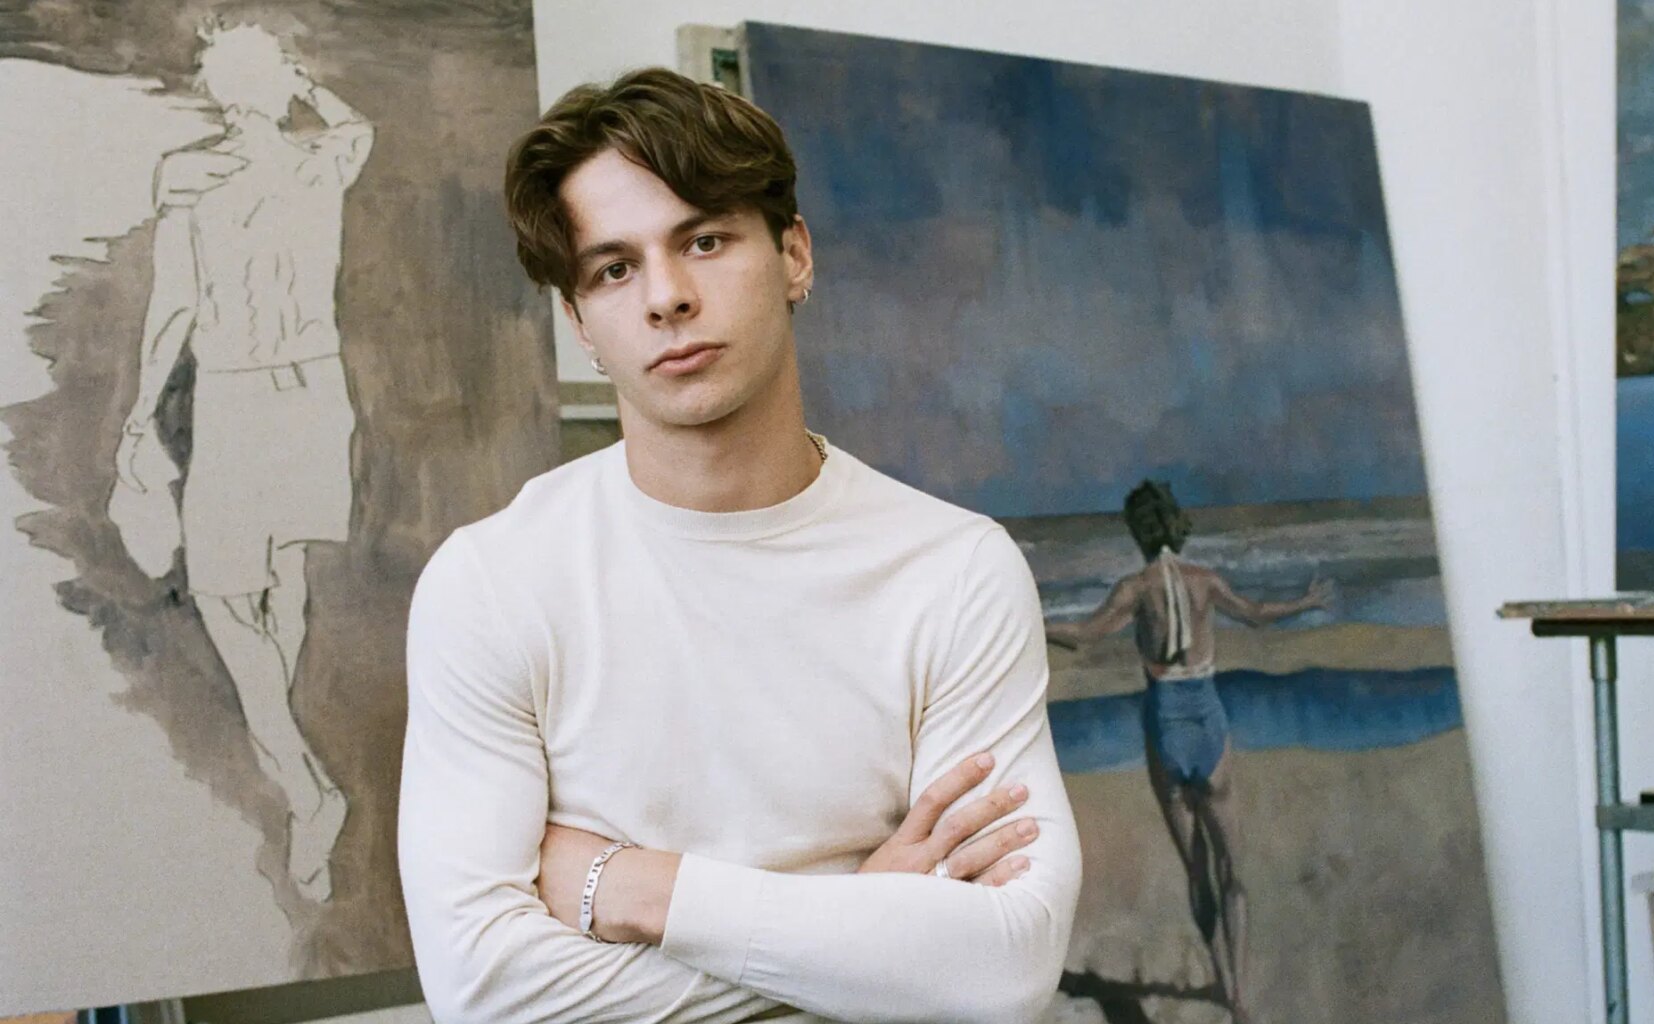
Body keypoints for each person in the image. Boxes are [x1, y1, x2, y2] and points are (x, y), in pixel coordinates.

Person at [396, 68, 1081, 1023]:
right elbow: (482, 992)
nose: (666, 297)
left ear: (795, 255)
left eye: (705, 241)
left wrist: (635, 889)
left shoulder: (953, 571)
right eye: (614, 268)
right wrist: (861, 925)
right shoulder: (492, 584)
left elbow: (1000, 971)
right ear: (577, 321)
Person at [111, 21, 371, 902]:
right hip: (317, 393)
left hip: (238, 394)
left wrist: (140, 417)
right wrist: (305, 87)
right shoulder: (324, 158)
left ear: (217, 90)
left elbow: (174, 309)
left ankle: (305, 789)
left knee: (226, 597)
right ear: (277, 84)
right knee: (282, 580)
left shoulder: (189, 173)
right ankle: (288, 751)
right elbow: (359, 126)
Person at [1044, 480, 1330, 1024]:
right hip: (1207, 723)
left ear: (1136, 533)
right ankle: (1241, 998)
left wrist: (1032, 623)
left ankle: (1221, 979)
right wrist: (1307, 602)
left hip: (1166, 727)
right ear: (1177, 525)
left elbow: (1084, 635)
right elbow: (1257, 613)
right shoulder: (1205, 582)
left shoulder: (1134, 589)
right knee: (1233, 870)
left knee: (1196, 868)